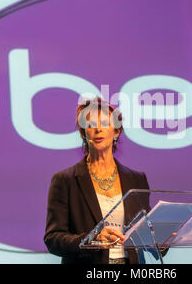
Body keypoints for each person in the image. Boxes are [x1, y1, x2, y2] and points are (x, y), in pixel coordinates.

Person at [44, 97, 151, 264]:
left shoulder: (137, 179)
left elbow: (145, 232)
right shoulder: (64, 180)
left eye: (104, 123)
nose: (98, 129)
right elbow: (53, 238)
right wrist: (93, 238)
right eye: (91, 124)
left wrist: (165, 235)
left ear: (116, 131)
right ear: (83, 132)